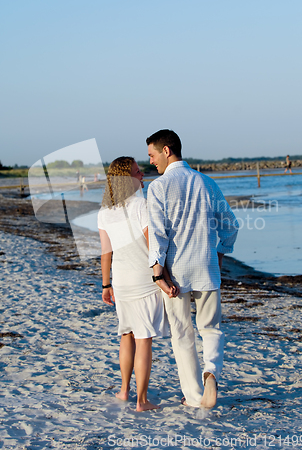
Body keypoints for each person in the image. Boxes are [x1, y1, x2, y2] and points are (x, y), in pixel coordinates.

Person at [146, 129, 239, 409]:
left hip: (176, 270)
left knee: (182, 332)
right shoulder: (207, 183)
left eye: (152, 155)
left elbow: (158, 234)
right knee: (211, 328)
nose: (151, 161)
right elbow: (231, 225)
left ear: (166, 150)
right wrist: (221, 252)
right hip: (207, 267)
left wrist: (157, 272)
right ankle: (211, 371)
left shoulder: (159, 187)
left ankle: (195, 396)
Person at [98, 156, 178, 412]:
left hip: (121, 282)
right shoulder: (141, 205)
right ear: (126, 177)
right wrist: (164, 276)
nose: (141, 173)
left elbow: (105, 252)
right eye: (136, 171)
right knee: (144, 339)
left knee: (126, 335)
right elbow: (152, 245)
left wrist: (105, 284)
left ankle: (124, 391)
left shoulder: (104, 211)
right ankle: (142, 401)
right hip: (143, 281)